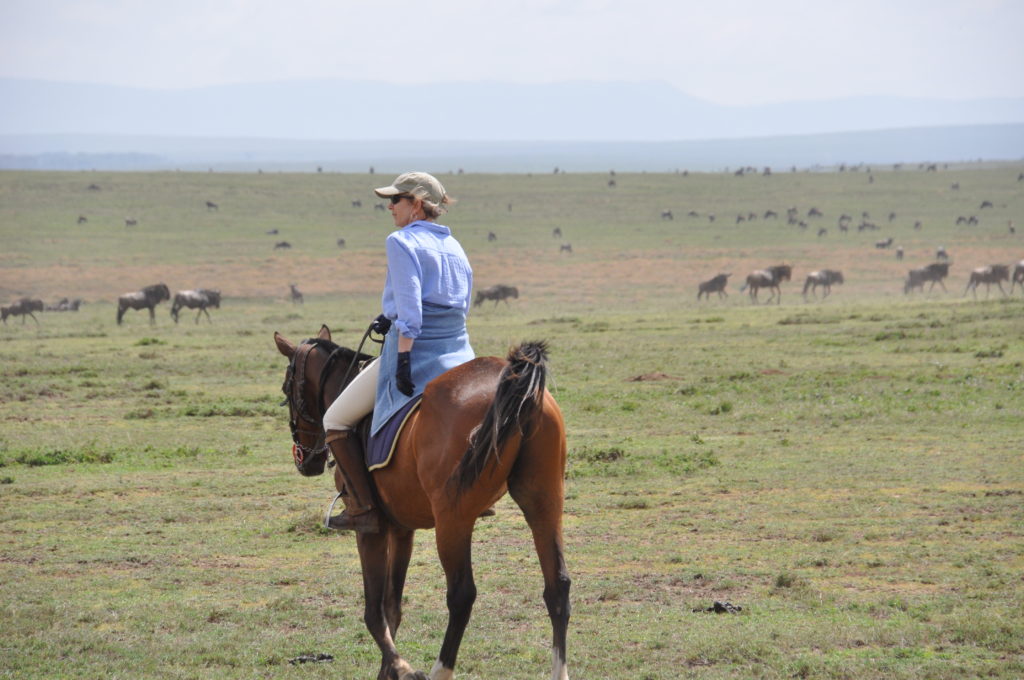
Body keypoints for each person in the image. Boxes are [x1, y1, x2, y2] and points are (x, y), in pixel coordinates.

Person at [321, 171, 475, 533]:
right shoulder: (456, 246)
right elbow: (462, 306)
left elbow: (411, 312)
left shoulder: (400, 240)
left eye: (396, 200)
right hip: (459, 353)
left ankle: (362, 508)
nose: (390, 207)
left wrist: (403, 358)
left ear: (417, 204)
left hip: (415, 352)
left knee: (335, 420)